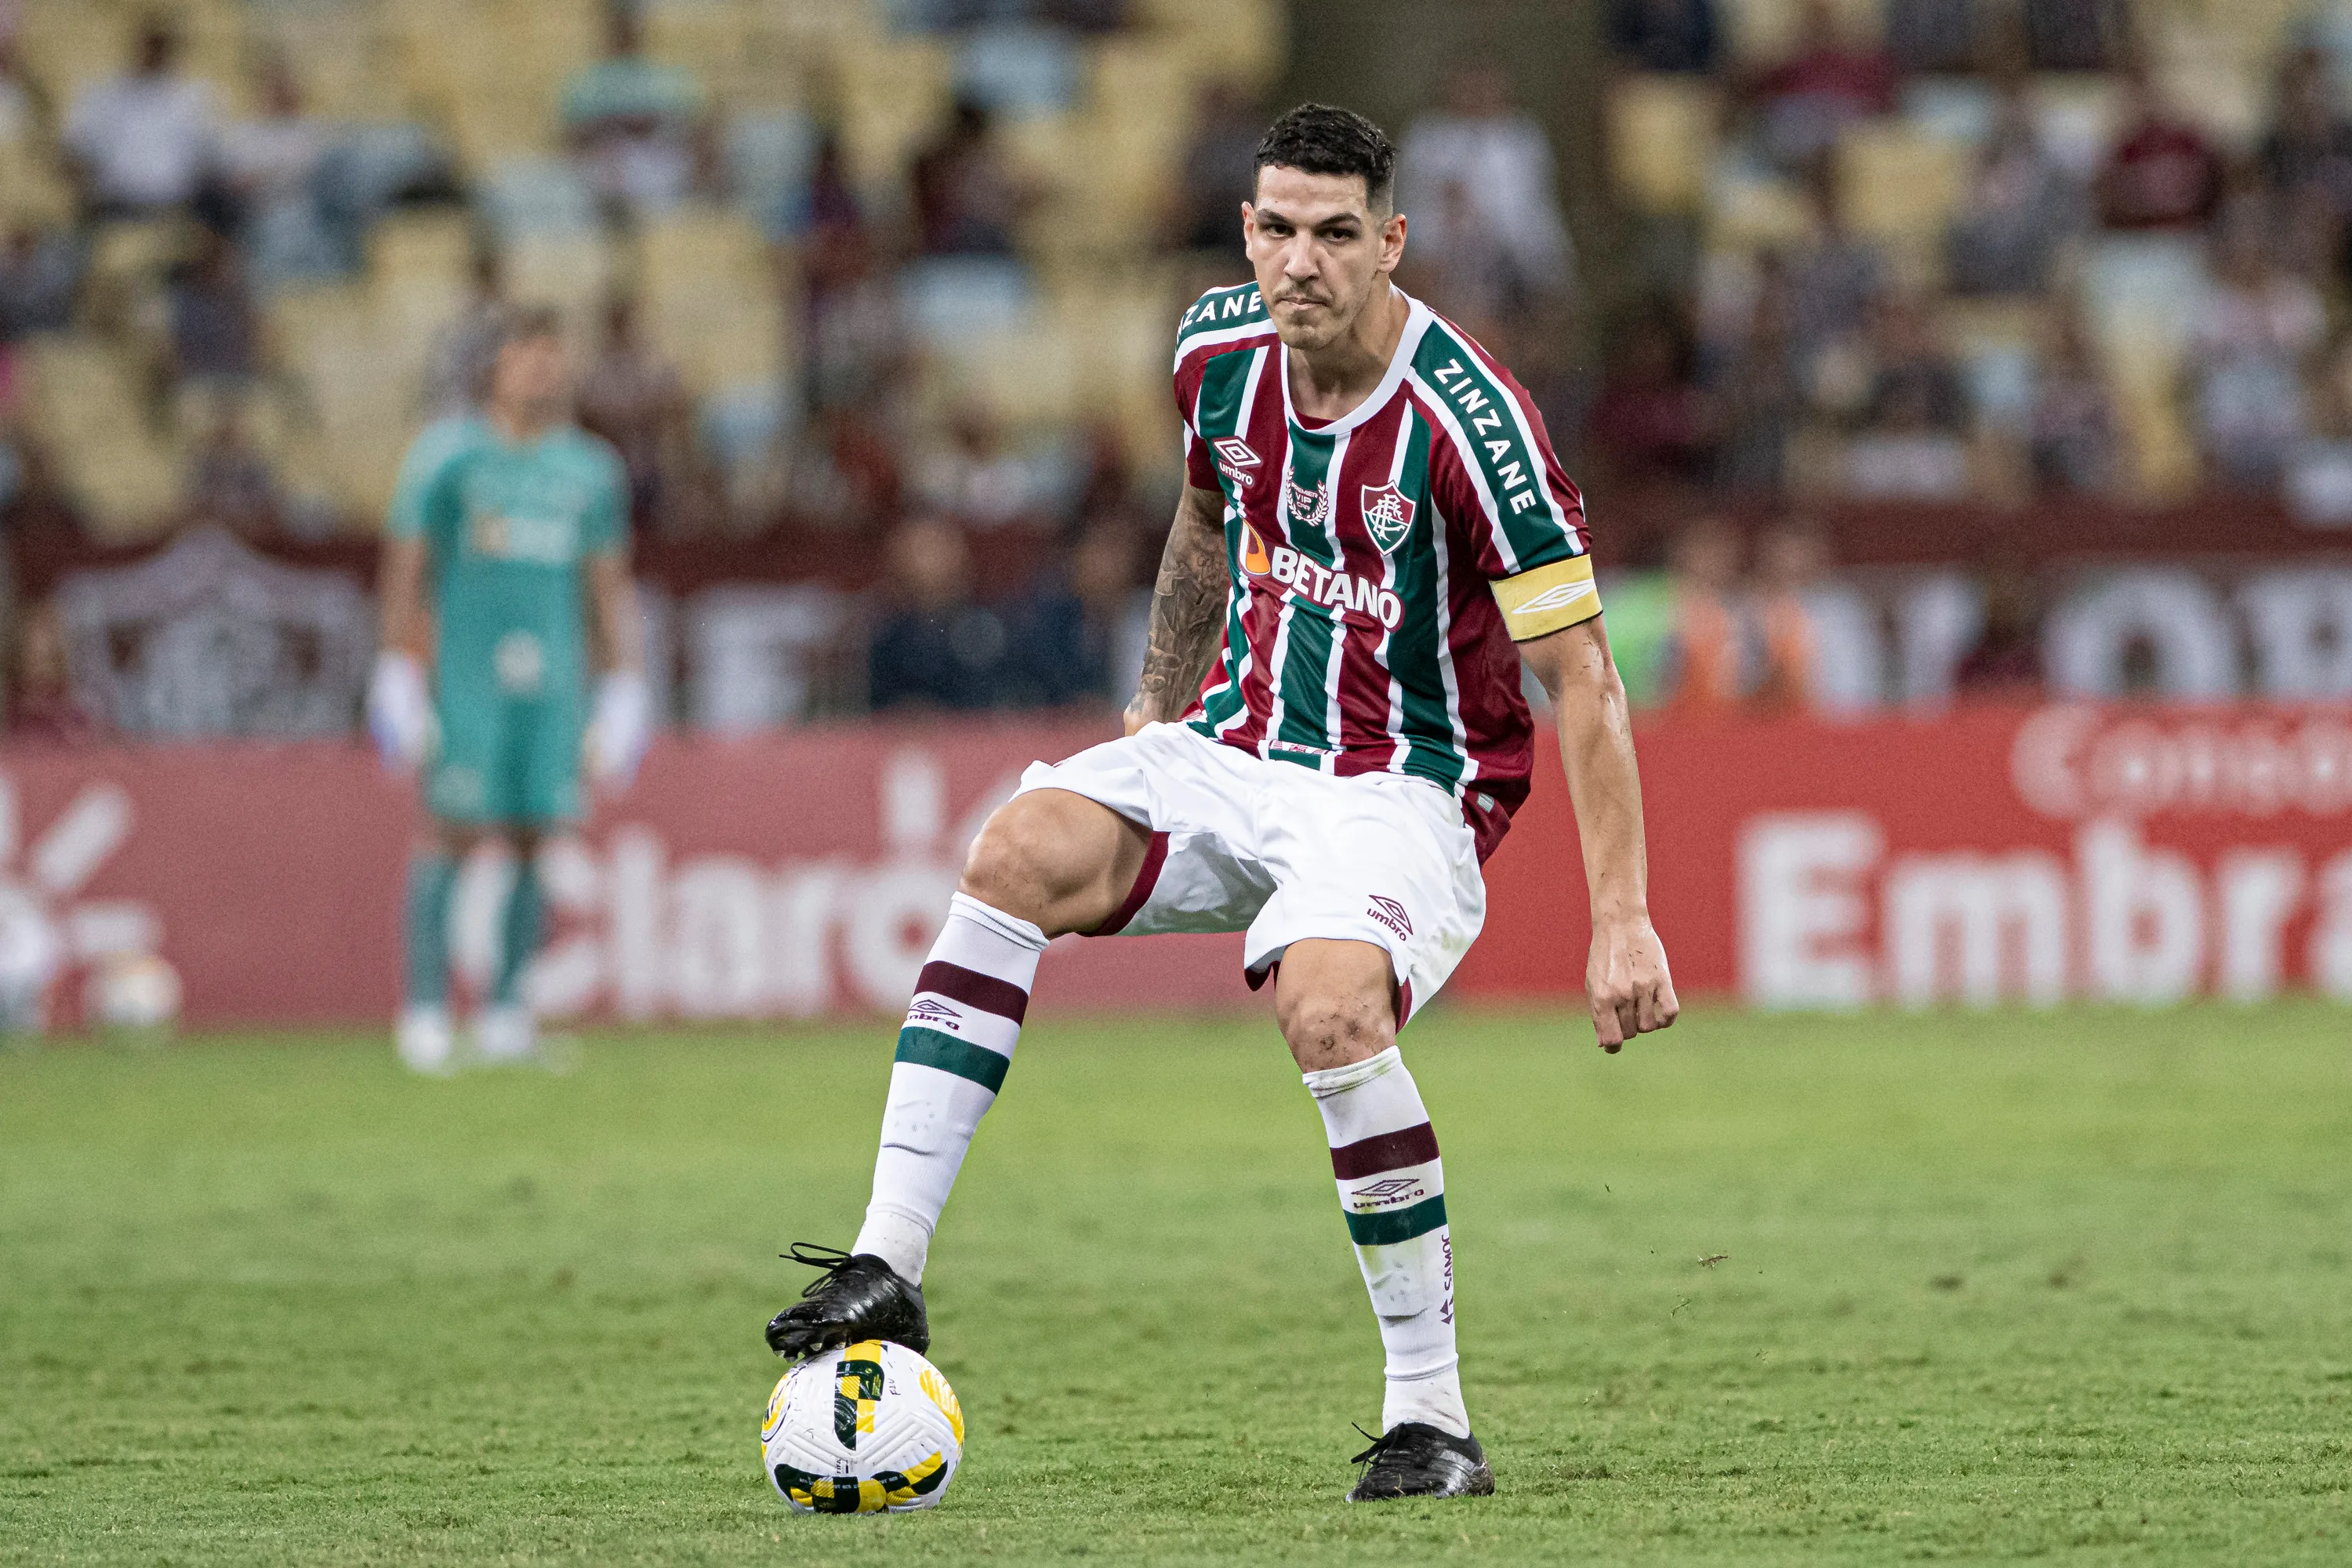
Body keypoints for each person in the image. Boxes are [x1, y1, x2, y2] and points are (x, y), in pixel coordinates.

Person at [763, 103, 1677, 1503]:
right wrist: (1154, 697)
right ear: (1246, 227)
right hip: (1234, 749)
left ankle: (1432, 1420)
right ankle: (888, 1262)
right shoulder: (1212, 350)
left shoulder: (1474, 423)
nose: (1299, 263)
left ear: (1391, 243)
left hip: (1399, 787)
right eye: (1277, 229)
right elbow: (1206, 513)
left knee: (1326, 1009)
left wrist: (1624, 920)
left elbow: (1585, 682)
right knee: (1012, 852)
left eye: (1333, 234)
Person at [368, 305, 648, 1075]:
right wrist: (397, 667)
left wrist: (624, 683)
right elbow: (408, 567)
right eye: (528, 355)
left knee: (537, 832)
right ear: (495, 366)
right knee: (450, 828)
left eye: (553, 356)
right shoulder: (448, 458)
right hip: (467, 673)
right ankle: (425, 1010)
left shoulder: (590, 470)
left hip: (553, 679)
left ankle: (507, 1012)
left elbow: (605, 585)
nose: (543, 371)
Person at [61, 16, 216, 217]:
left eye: (162, 45)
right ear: (137, 45)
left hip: (177, 207)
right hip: (115, 205)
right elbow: (74, 149)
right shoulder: (103, 95)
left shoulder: (194, 98)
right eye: (150, 45)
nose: (155, 53)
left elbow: (212, 157)